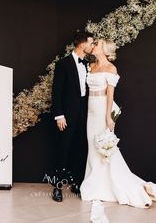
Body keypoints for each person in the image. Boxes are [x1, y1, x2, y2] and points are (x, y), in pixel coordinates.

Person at [80, 39, 156, 210]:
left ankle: (102, 186)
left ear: (104, 50)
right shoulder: (91, 67)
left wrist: (108, 117)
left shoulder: (111, 69)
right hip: (90, 113)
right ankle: (95, 182)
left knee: (103, 147)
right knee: (92, 147)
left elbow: (110, 96)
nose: (94, 46)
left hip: (101, 112)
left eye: (97, 44)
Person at [51, 31, 94, 202]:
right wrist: (59, 115)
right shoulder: (63, 64)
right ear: (82, 44)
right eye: (91, 43)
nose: (92, 46)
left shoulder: (88, 64)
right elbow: (56, 92)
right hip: (67, 115)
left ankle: (77, 183)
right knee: (63, 149)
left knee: (80, 149)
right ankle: (57, 187)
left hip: (85, 114)